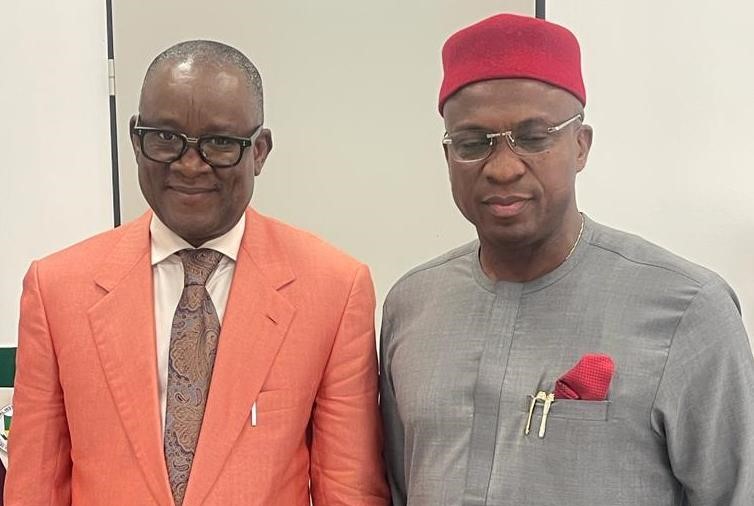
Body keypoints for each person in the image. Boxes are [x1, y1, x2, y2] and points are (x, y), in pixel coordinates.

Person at [379, 13, 754, 506]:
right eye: (472, 144)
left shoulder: (687, 310)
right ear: (448, 156)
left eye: (534, 138)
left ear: (580, 146)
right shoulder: (412, 305)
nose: (504, 168)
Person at [6, 40, 389, 506]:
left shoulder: (334, 289)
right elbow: (34, 487)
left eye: (220, 143)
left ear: (260, 151)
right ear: (136, 140)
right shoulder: (56, 289)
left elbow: (348, 489)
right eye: (166, 138)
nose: (190, 165)